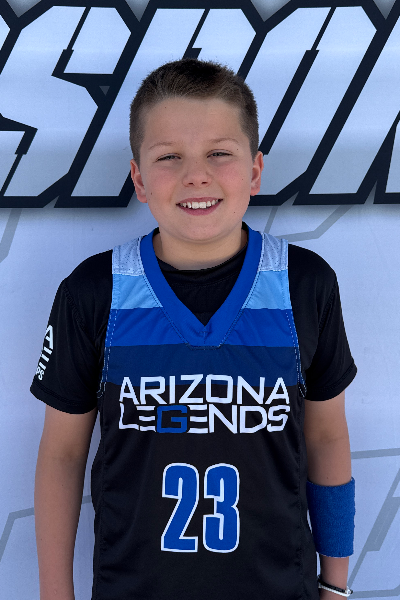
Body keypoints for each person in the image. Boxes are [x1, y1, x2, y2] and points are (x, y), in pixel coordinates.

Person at [32, 59, 357, 600]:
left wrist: (336, 586)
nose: (196, 175)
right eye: (169, 157)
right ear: (139, 178)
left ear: (255, 171)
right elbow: (62, 455)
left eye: (219, 154)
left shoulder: (304, 285)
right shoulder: (94, 292)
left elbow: (327, 437)